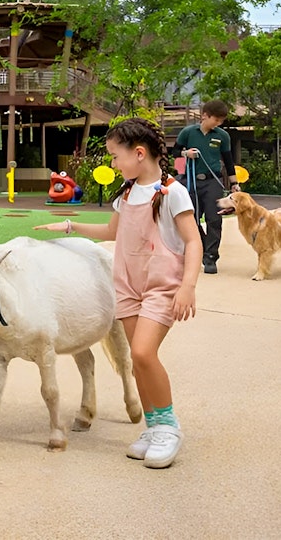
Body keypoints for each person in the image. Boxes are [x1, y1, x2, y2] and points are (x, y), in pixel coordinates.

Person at [34, 117, 202, 469]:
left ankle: (169, 427)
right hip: (127, 289)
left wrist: (188, 286)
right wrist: (69, 225)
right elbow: (111, 232)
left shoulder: (173, 192)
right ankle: (153, 427)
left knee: (143, 354)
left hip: (161, 288)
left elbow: (193, 241)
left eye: (114, 156)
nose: (112, 164)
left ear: (139, 153)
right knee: (135, 361)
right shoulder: (126, 194)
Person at [173, 99, 240, 274]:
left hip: (213, 181)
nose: (218, 124)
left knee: (214, 219)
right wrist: (185, 153)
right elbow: (173, 152)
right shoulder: (188, 132)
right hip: (191, 180)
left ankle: (211, 258)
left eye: (221, 121)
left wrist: (234, 183)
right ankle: (200, 250)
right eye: (216, 120)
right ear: (205, 116)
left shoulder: (222, 136)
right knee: (191, 219)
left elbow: (228, 161)